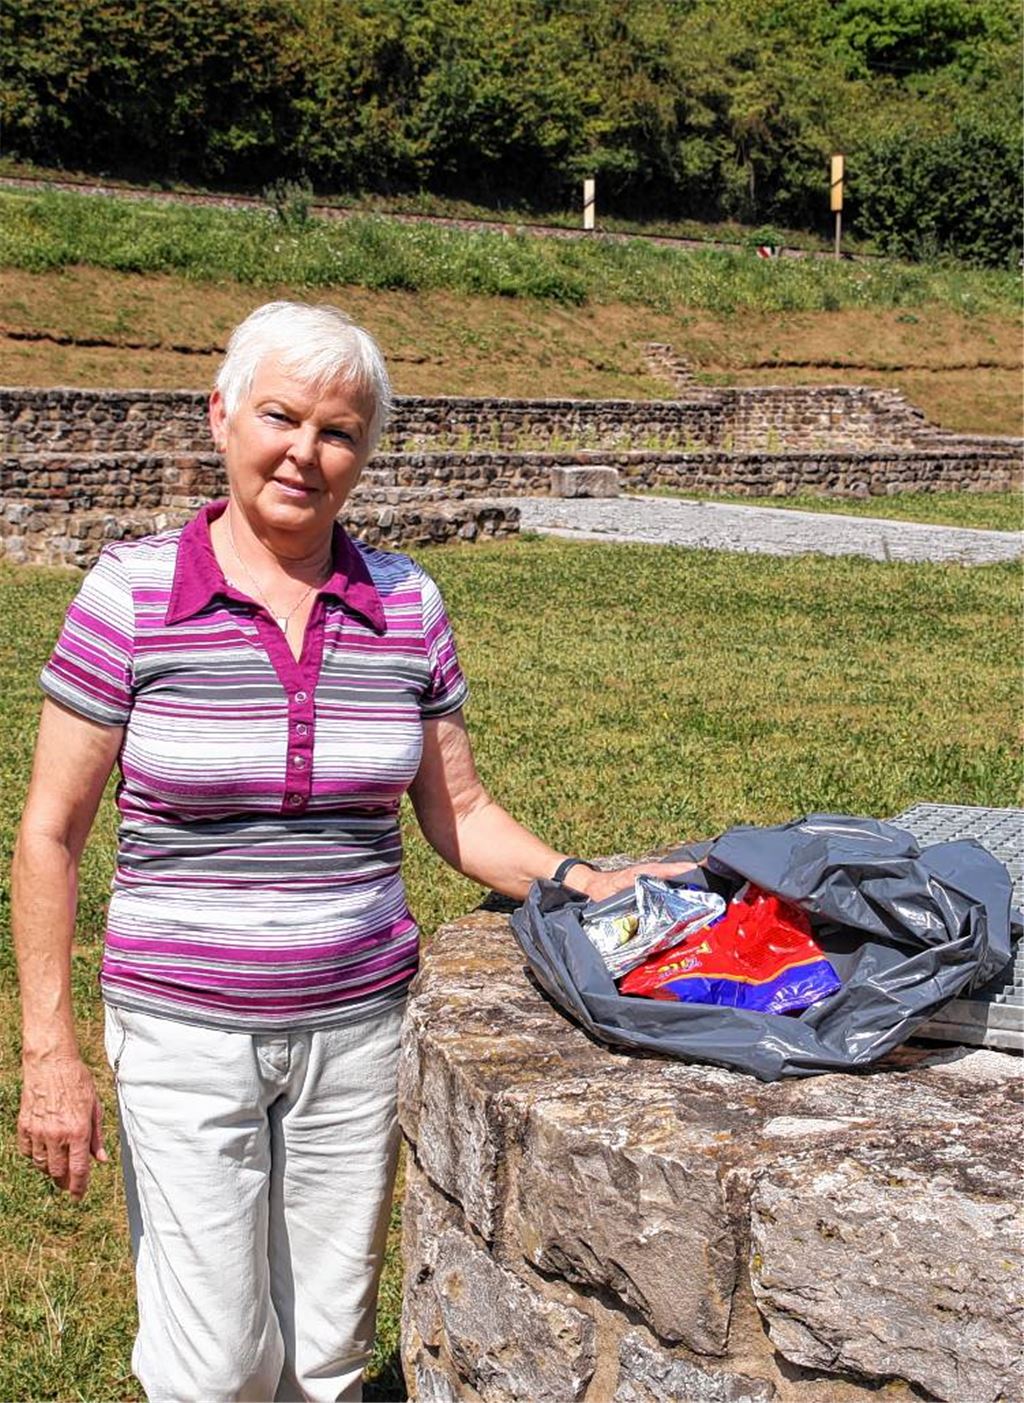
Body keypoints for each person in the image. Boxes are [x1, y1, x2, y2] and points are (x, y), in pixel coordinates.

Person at [13, 300, 691, 1403]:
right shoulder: (131, 593)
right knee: (215, 1364)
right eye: (281, 416)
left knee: (328, 1354)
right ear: (221, 415)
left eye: (339, 432)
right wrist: (50, 1054)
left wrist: (581, 878)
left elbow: (458, 811)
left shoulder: (406, 601)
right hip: (186, 1031)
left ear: (365, 452)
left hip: (359, 1029)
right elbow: (48, 833)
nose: (306, 452)